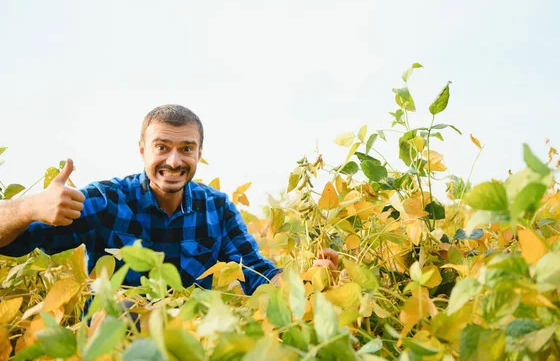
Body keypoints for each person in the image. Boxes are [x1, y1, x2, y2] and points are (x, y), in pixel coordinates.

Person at [0, 104, 337, 294]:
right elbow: (11, 243)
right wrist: (28, 207)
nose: (174, 161)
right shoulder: (107, 201)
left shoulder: (216, 208)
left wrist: (311, 281)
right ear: (143, 150)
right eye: (162, 147)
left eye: (186, 149)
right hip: (115, 343)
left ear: (199, 153)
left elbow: (257, 275)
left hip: (193, 342)